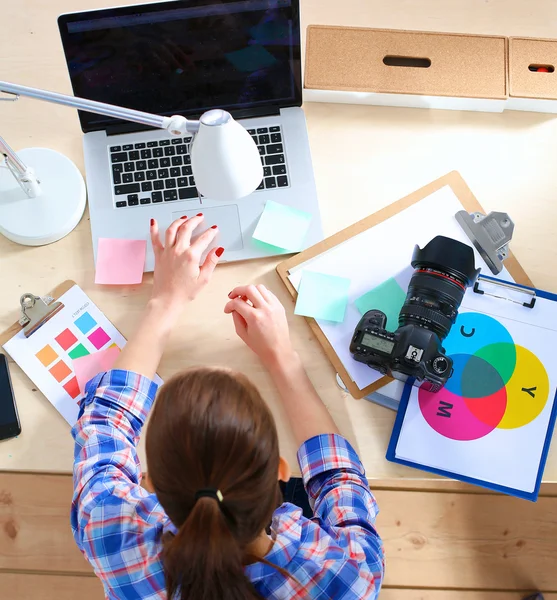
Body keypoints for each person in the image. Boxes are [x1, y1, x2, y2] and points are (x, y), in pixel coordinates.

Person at [71, 215, 384, 599]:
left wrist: (166, 300)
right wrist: (283, 359)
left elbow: (105, 423)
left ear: (148, 481)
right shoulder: (349, 576)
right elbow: (340, 481)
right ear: (282, 474)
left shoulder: (110, 532)